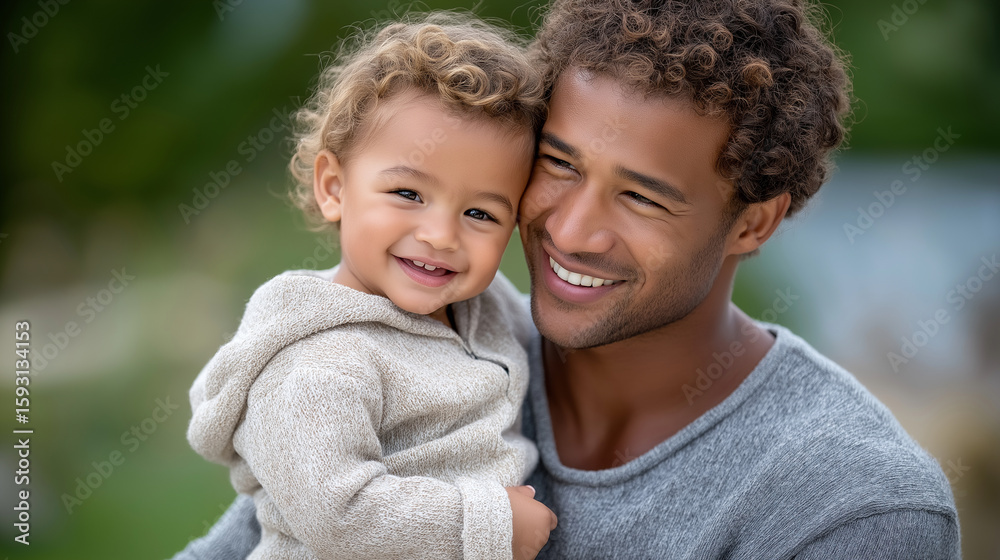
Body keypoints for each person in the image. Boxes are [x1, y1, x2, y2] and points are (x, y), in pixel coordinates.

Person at [175, 0, 961, 558]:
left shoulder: (854, 506)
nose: (571, 231)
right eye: (559, 165)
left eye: (643, 197)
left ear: (753, 223)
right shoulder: (448, 338)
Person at [184, 14, 559, 560]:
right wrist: (490, 524)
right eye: (408, 193)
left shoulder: (484, 304)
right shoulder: (316, 363)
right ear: (335, 187)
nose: (440, 235)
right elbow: (339, 514)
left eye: (480, 212)